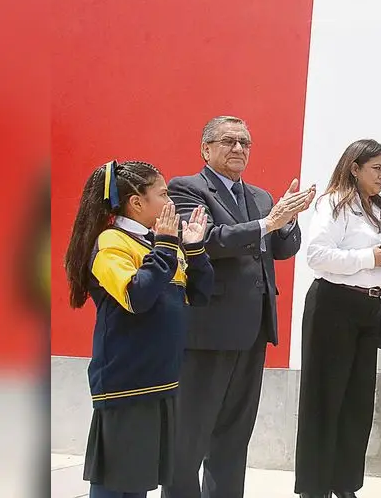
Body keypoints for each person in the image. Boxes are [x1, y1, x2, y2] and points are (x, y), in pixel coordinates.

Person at [164, 116, 316, 498]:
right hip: (209, 332)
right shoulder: (187, 188)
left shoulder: (261, 197)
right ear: (206, 149)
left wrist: (287, 222)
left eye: (245, 142)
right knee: (190, 437)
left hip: (253, 330)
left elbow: (281, 248)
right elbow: (209, 240)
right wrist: (268, 223)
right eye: (229, 141)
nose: (238, 149)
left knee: (234, 436)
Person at [64, 160, 214, 498]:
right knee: (115, 483)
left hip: (161, 379)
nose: (170, 202)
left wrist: (193, 247)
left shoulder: (159, 244)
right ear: (136, 202)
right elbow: (137, 295)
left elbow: (200, 294)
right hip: (126, 382)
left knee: (140, 481)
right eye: (163, 194)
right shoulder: (112, 242)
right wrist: (166, 246)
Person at [295, 139, 381, 498]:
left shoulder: (378, 209)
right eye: (376, 168)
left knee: (358, 402)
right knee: (325, 398)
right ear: (354, 168)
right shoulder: (334, 203)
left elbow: (377, 267)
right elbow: (318, 256)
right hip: (333, 306)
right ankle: (314, 487)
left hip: (369, 308)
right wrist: (370, 257)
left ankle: (345, 483)